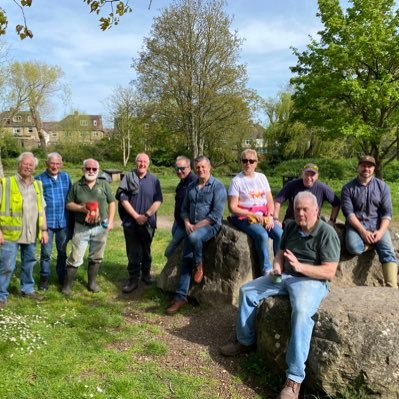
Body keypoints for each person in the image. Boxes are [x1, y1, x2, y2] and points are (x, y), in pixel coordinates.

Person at [220, 191, 340, 399]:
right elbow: (280, 253)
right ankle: (245, 341)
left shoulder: (327, 233)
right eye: (297, 209)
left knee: (302, 313)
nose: (301, 213)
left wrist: (300, 267)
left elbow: (329, 272)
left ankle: (294, 379)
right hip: (285, 276)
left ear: (316, 210)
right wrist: (276, 267)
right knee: (247, 291)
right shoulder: (291, 226)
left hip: (311, 280)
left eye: (305, 210)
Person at [165, 156, 227, 315]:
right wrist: (186, 222)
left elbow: (216, 215)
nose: (200, 170)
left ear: (209, 167)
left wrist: (196, 227)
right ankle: (180, 297)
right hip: (191, 226)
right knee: (186, 259)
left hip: (210, 226)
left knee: (193, 238)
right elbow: (183, 209)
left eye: (203, 167)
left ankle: (198, 265)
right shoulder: (192, 186)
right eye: (198, 167)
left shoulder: (218, 187)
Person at [341, 155, 398, 288]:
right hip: (356, 227)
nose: (366, 168)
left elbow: (387, 213)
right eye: (363, 165)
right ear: (358, 167)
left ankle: (392, 287)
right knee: (353, 247)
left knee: (388, 252)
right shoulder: (348, 188)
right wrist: (362, 232)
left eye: (369, 166)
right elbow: (348, 214)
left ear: (374, 169)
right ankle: (372, 244)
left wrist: (380, 232)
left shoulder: (382, 187)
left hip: (377, 226)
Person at [0, 152, 48, 307]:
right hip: (9, 234)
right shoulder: (6, 183)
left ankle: (27, 289)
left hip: (31, 233)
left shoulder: (38, 185)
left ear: (34, 168)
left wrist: (44, 230)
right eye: (25, 164)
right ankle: (1, 295)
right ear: (18, 165)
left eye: (31, 165)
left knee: (29, 262)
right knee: (7, 266)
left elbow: (42, 209)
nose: (28, 167)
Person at [62, 159, 115, 295]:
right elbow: (69, 204)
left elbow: (112, 203)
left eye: (94, 169)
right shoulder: (76, 186)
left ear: (98, 170)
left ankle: (91, 283)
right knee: (75, 256)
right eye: (88, 168)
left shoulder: (104, 184)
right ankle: (67, 286)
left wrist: (110, 221)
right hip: (81, 227)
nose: (91, 171)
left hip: (100, 227)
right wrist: (82, 208)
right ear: (83, 169)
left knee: (97, 256)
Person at [228, 149, 283, 275]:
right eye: (245, 161)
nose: (248, 164)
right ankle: (266, 270)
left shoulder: (262, 178)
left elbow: (270, 201)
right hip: (244, 216)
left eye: (251, 161)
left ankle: (279, 266)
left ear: (256, 163)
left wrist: (269, 216)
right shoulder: (236, 181)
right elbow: (232, 207)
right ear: (241, 162)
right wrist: (251, 215)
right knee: (262, 235)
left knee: (280, 234)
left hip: (264, 215)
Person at [118, 153, 163, 293]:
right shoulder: (128, 177)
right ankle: (133, 279)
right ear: (135, 162)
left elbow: (158, 200)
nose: (142, 164)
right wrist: (136, 216)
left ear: (148, 164)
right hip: (131, 223)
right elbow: (122, 198)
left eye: (145, 161)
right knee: (132, 251)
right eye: (139, 161)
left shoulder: (154, 180)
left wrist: (146, 215)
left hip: (148, 222)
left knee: (146, 249)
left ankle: (146, 274)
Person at [35, 152, 72, 290]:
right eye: (52, 163)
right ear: (46, 163)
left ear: (61, 164)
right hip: (47, 223)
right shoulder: (38, 179)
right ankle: (44, 278)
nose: (55, 166)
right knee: (45, 253)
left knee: (62, 252)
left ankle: (62, 277)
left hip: (63, 222)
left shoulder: (66, 177)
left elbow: (71, 198)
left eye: (57, 163)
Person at [274, 163, 340, 226]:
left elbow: (336, 203)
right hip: (292, 221)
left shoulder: (322, 188)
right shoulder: (292, 185)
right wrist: (276, 219)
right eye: (306, 174)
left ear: (317, 176)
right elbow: (278, 200)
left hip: (312, 222)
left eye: (312, 175)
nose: (309, 178)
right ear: (302, 174)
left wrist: (332, 220)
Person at [164, 156, 196, 258]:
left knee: (169, 252)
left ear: (189, 167)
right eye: (177, 168)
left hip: (185, 225)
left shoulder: (193, 182)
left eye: (182, 168)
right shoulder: (182, 182)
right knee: (178, 251)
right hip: (177, 222)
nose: (179, 171)